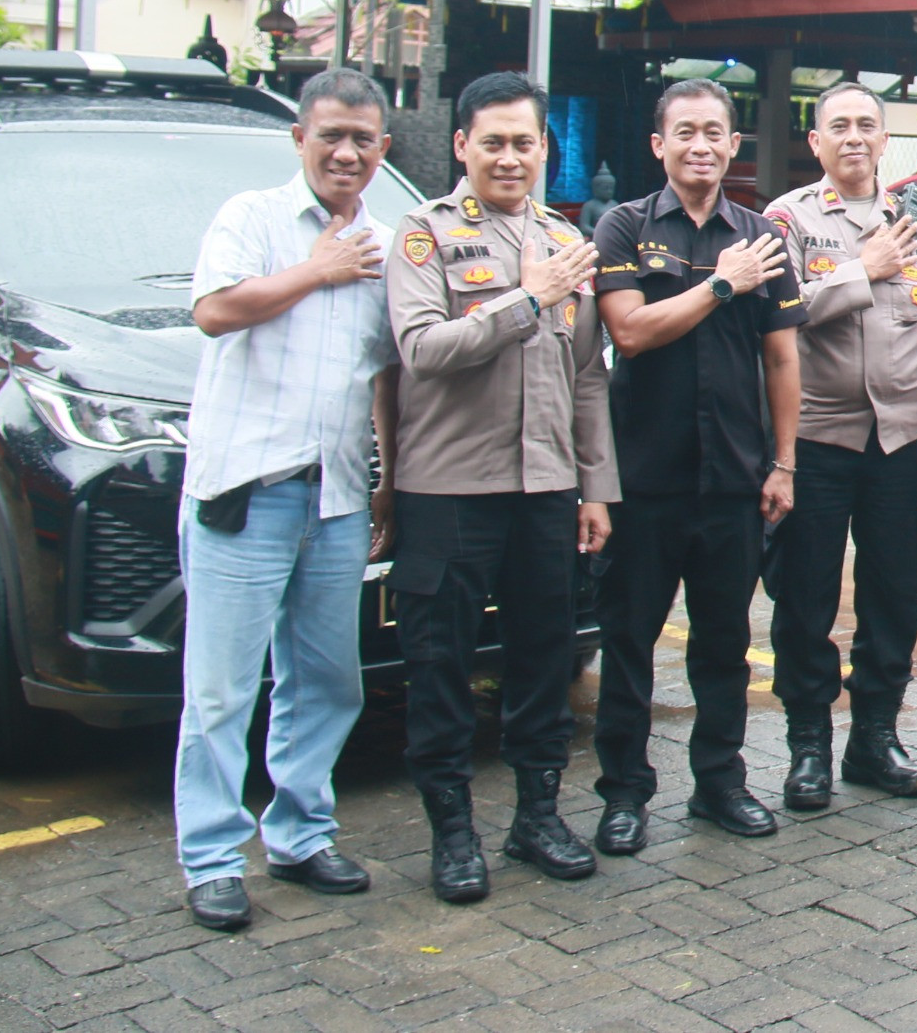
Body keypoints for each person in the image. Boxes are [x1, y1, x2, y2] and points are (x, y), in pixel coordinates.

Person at [174, 69, 398, 932]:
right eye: (331, 135)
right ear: (299, 138)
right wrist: (317, 268)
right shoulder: (252, 218)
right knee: (221, 692)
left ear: (383, 149)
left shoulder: (386, 245)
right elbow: (215, 312)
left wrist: (383, 481)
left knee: (326, 683)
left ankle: (302, 834)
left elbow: (383, 370)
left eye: (363, 140)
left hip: (336, 499)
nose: (346, 152)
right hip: (247, 493)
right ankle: (212, 859)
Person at [383, 72, 614, 903]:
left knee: (543, 659)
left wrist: (595, 488)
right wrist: (526, 300)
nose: (511, 157)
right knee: (440, 666)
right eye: (494, 142)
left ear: (546, 149)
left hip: (546, 487)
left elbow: (588, 376)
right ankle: (452, 835)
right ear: (461, 147)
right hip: (449, 490)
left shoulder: (564, 239)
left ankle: (536, 817)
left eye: (526, 142)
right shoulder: (423, 235)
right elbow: (422, 350)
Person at [589, 79, 804, 852]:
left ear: (733, 144)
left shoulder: (761, 236)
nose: (701, 146)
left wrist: (783, 464)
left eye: (715, 132)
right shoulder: (622, 228)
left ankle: (720, 781)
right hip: (642, 479)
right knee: (629, 640)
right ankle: (624, 793)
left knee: (722, 641)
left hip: (734, 480)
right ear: (659, 145)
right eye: (685, 133)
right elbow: (633, 333)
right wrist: (720, 285)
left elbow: (782, 359)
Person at [761, 81, 917, 810]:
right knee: (806, 593)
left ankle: (874, 736)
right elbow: (777, 318)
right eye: (837, 126)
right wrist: (860, 270)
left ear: (885, 142)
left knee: (895, 589)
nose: (853, 137)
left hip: (899, 439)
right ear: (815, 142)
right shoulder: (786, 219)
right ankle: (808, 742)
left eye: (866, 126)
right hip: (816, 435)